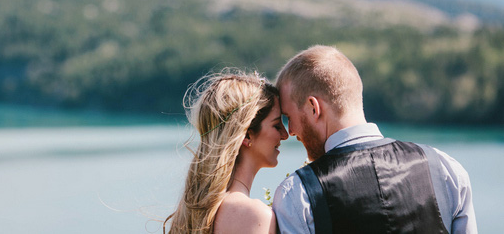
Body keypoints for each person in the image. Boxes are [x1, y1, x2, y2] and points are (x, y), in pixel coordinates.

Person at [272, 45, 477, 234]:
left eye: (288, 118)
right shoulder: (445, 170)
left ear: (313, 108)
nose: (290, 132)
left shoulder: (298, 195)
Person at [164, 70, 289, 234]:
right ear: (247, 135)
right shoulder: (253, 216)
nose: (285, 135)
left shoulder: (192, 214)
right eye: (276, 125)